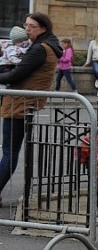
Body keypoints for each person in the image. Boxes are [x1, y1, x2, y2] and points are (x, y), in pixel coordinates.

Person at [0, 13, 60, 194]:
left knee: (9, 154)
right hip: (25, 102)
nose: (27, 29)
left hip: (19, 104)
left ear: (43, 28)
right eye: (26, 25)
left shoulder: (40, 48)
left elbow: (16, 75)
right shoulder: (45, 46)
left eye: (31, 26)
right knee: (11, 152)